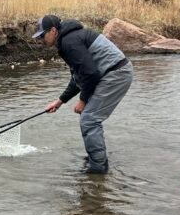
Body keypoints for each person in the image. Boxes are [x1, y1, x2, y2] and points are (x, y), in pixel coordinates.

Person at [34, 14, 133, 172]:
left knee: (89, 119)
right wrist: (60, 101)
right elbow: (79, 77)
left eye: (41, 35)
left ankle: (98, 168)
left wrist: (83, 100)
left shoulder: (69, 42)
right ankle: (96, 158)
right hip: (112, 72)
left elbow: (90, 73)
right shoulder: (69, 39)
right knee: (89, 117)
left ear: (53, 31)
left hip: (116, 73)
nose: (40, 40)